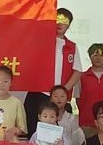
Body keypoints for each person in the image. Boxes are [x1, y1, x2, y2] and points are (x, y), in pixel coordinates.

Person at [24, 7, 82, 136]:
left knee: (58, 133)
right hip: (39, 93)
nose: (60, 24)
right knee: (34, 130)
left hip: (59, 97)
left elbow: (77, 71)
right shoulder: (40, 41)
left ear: (69, 25)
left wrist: (63, 90)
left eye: (64, 21)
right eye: (57, 20)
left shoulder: (71, 47)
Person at [76, 43, 103, 135]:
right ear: (90, 57)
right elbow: (78, 100)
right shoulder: (81, 77)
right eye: (95, 55)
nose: (98, 58)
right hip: (87, 122)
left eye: (102, 56)